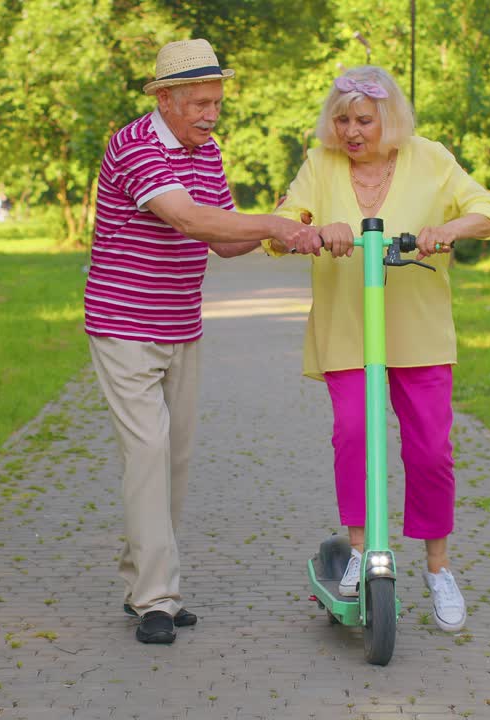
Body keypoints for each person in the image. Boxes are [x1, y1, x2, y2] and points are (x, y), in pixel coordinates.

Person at [85, 38, 320, 645]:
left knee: (175, 460)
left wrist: (283, 229)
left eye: (216, 103)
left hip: (181, 324)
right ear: (164, 99)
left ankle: (144, 585)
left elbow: (224, 237)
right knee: (148, 454)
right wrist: (271, 225)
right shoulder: (135, 145)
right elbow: (189, 218)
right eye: (199, 104)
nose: (212, 114)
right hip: (124, 324)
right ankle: (158, 600)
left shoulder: (205, 150)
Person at [266, 66, 490, 633]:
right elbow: (283, 220)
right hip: (351, 326)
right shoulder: (320, 163)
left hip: (419, 330)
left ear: (389, 119)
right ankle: (359, 551)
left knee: (430, 450)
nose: (352, 132)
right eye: (343, 119)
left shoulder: (430, 157)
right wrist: (313, 229)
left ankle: (438, 566)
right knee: (354, 434)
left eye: (364, 120)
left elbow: (489, 211)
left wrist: (448, 230)